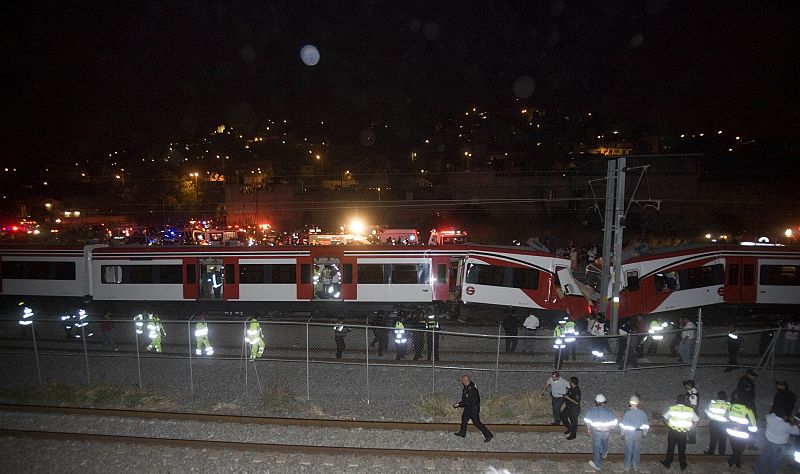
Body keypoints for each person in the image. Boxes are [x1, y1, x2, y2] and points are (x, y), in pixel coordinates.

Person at [754, 408, 800, 474]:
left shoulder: (769, 417)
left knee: (764, 456)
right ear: (785, 416)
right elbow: (797, 432)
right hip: (780, 447)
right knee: (775, 461)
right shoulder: (787, 425)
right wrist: (795, 424)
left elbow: (767, 416)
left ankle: (757, 468)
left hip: (769, 442)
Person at [660, 395, 699, 471]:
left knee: (671, 448)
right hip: (683, 432)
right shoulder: (689, 410)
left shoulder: (673, 409)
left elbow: (664, 418)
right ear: (684, 401)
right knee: (682, 449)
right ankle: (683, 465)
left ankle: (668, 463)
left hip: (673, 431)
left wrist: (668, 426)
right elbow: (697, 420)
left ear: (677, 400)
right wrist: (692, 427)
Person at [452, 374, 493, 442]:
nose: (462, 382)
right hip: (469, 406)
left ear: (466, 381)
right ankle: (462, 433)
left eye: (463, 380)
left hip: (473, 408)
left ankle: (488, 435)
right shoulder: (468, 386)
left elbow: (467, 401)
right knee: (464, 418)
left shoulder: (470, 389)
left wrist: (458, 404)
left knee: (476, 422)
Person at [584, 393, 618, 471]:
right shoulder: (609, 412)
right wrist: (610, 427)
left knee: (596, 447)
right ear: (604, 402)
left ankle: (597, 465)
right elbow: (615, 421)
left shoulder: (591, 411)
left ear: (596, 402)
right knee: (605, 441)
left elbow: (587, 420)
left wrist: (589, 429)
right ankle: (604, 452)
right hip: (606, 431)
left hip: (596, 432)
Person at [726, 394, 758, 469]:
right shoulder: (748, 410)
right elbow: (753, 423)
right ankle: (732, 460)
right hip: (743, 434)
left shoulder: (732, 406)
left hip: (731, 431)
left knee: (735, 448)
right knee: (740, 449)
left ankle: (737, 461)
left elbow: (727, 415)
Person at [619, 395, 650, 472]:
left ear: (630, 403)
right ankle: (636, 466)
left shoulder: (628, 413)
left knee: (628, 450)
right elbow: (646, 424)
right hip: (638, 434)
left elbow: (624, 425)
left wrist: (622, 433)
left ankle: (627, 466)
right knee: (637, 450)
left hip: (629, 434)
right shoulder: (643, 413)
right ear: (638, 403)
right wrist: (644, 433)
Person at [705, 391, 730, 456]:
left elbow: (707, 411)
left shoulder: (713, 404)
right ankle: (721, 453)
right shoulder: (728, 405)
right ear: (725, 397)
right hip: (724, 424)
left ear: (717, 397)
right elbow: (730, 415)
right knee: (723, 439)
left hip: (714, 423)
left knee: (713, 439)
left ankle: (711, 452)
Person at [683, 379, 699, 444]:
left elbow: (694, 406)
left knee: (691, 426)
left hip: (692, 412)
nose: (685, 386)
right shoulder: (690, 392)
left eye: (686, 385)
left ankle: (692, 440)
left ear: (690, 385)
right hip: (690, 412)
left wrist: (686, 402)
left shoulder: (693, 394)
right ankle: (691, 439)